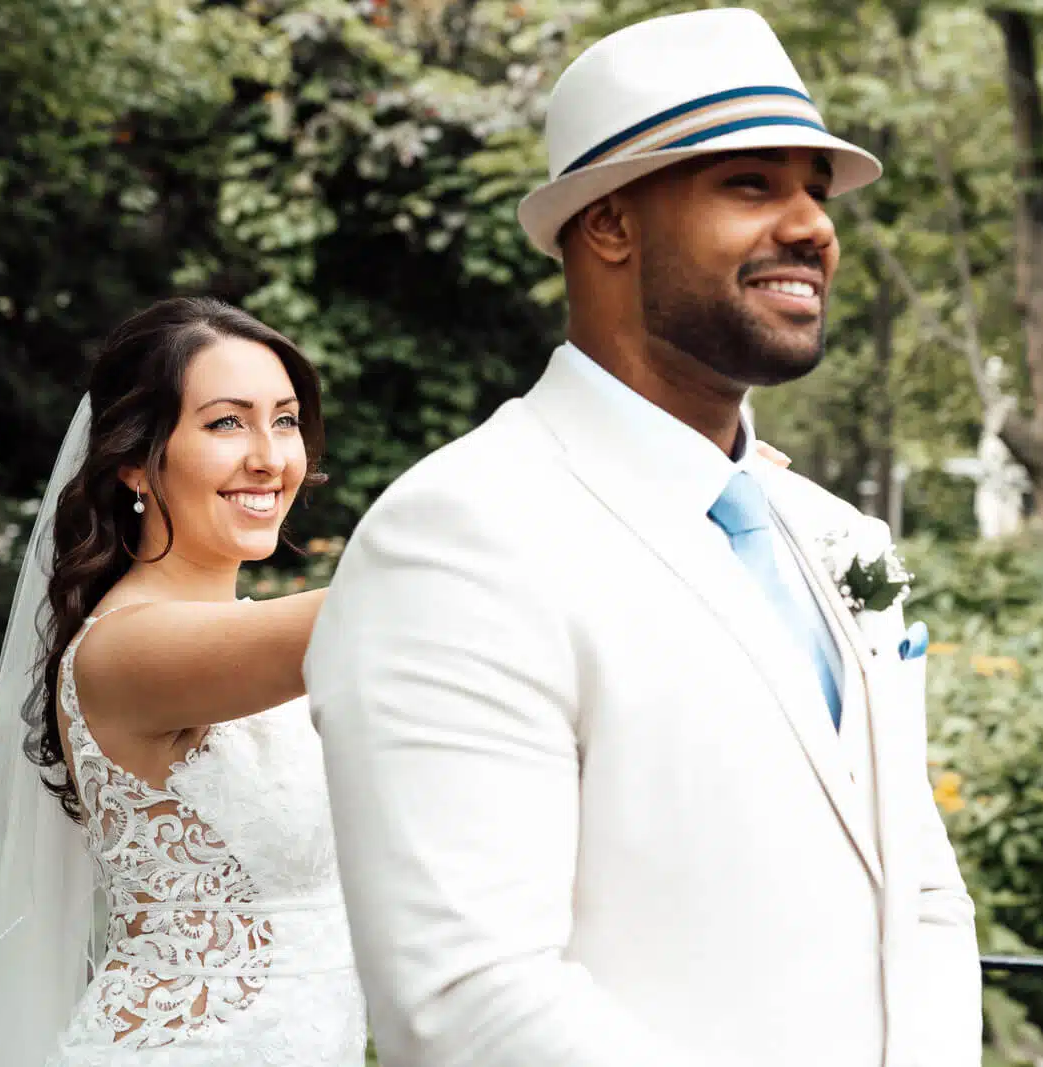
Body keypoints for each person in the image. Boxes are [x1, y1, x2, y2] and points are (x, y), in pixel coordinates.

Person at [304, 9, 982, 1067]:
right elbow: (469, 999)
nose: (813, 224)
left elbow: (923, 891)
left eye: (815, 185)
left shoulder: (837, 532)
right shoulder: (457, 538)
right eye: (751, 184)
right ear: (610, 225)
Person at [0, 297, 366, 1067]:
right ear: (136, 456)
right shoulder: (127, 646)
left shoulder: (252, 642)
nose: (269, 456)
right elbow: (388, 603)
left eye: (287, 419)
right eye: (227, 422)